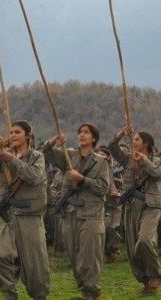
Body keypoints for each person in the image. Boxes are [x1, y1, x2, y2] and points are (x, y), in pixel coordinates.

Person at [0, 120, 51, 300]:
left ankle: (39, 296)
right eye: (10, 132)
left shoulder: (36, 157)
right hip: (7, 215)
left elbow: (34, 177)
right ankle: (10, 296)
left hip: (29, 216)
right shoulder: (3, 156)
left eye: (17, 132)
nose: (12, 135)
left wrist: (13, 161)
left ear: (27, 135)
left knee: (34, 265)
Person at [43, 123, 109, 300]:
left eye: (86, 132)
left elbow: (103, 188)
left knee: (89, 257)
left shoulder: (101, 161)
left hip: (91, 214)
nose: (82, 135)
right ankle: (84, 288)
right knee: (74, 256)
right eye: (80, 132)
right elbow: (46, 153)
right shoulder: (69, 156)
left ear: (94, 138)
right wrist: (54, 141)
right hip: (70, 213)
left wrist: (83, 180)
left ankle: (92, 291)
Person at [108, 125, 161, 294]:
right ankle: (146, 280)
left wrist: (144, 160)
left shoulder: (156, 160)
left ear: (146, 143)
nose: (133, 141)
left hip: (150, 206)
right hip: (131, 206)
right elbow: (112, 148)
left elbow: (158, 174)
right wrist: (121, 134)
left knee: (145, 241)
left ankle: (155, 274)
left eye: (137, 139)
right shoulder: (127, 160)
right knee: (133, 248)